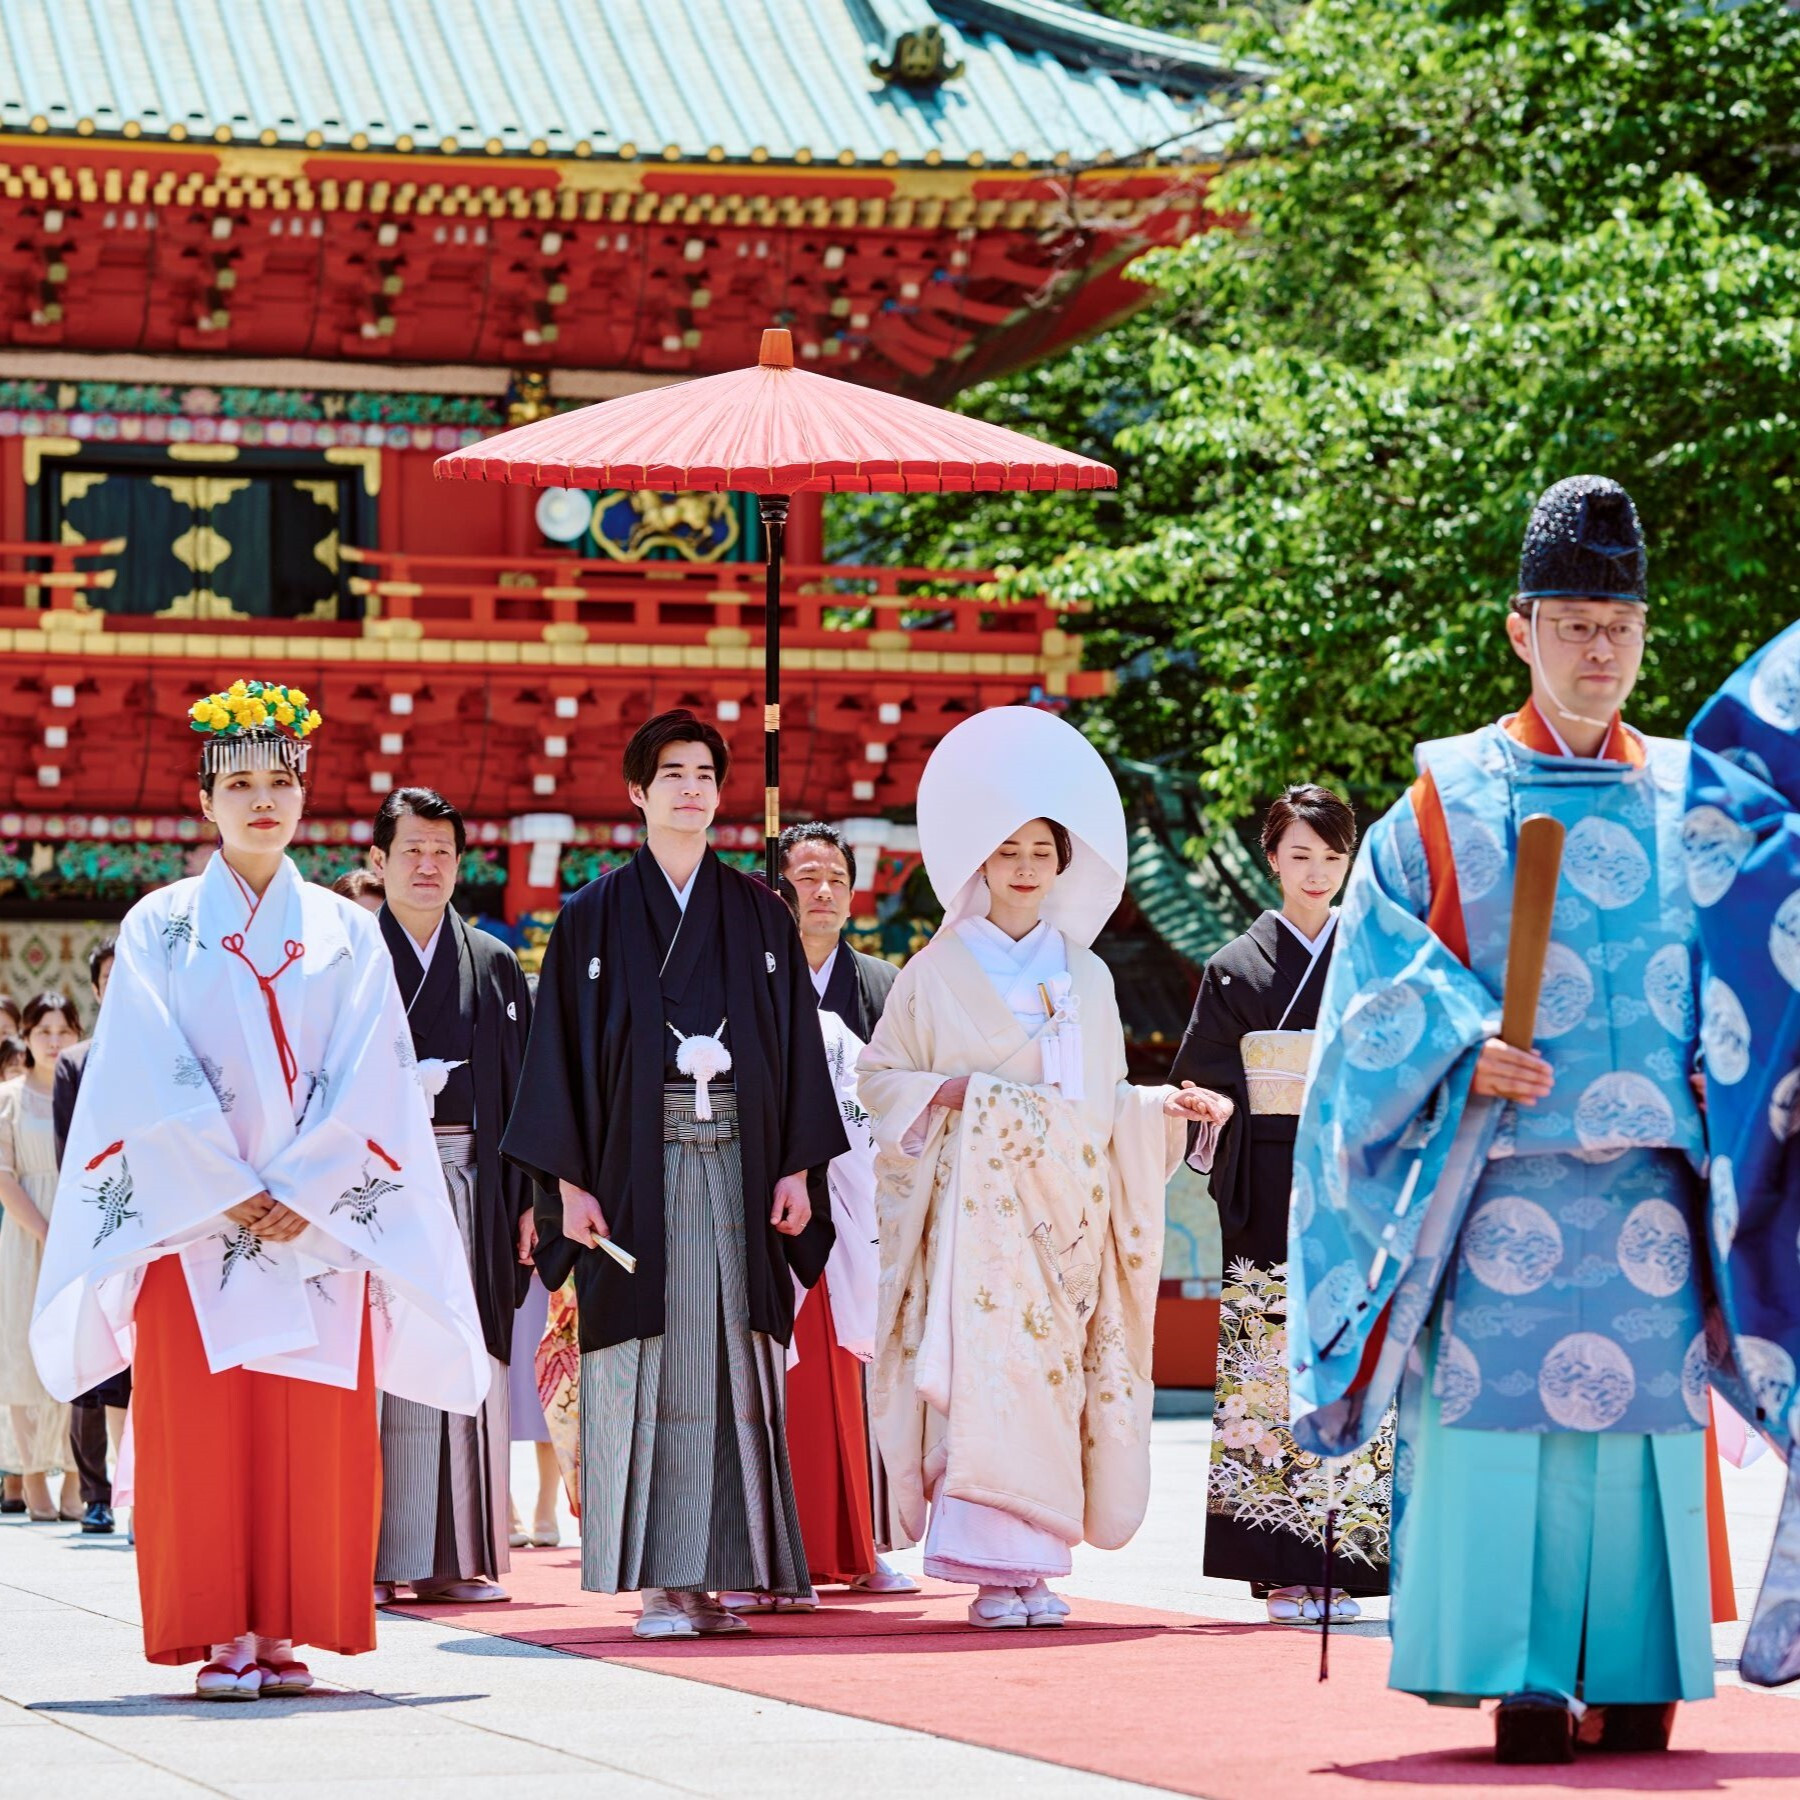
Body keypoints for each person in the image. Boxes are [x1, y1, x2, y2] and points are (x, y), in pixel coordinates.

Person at [1286, 477, 1778, 1761]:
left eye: (1619, 624)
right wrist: (1460, 1050)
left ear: (1645, 632)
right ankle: (1515, 1673)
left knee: (1642, 1438)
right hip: (1498, 1182)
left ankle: (1636, 1665)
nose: (1599, 648)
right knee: (1503, 1422)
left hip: (1656, 1196)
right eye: (1572, 622)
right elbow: (1369, 986)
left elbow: (1754, 976)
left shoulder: (1696, 795)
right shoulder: (1446, 797)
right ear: (1520, 630)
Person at [31, 677, 489, 1701]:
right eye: (238, 783)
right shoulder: (160, 924)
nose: (262, 800)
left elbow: (373, 1068)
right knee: (205, 1432)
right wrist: (231, 1187)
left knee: (307, 1430)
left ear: (305, 794)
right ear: (205, 802)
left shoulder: (342, 926)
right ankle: (216, 1631)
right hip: (198, 1227)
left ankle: (285, 1628)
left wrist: (310, 1185)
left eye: (281, 781)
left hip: (316, 1227)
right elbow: (144, 1066)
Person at [857, 707, 1233, 1629]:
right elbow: (879, 1078)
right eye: (1008, 849)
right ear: (980, 864)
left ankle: (1039, 1563)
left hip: (1064, 1218)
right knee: (986, 1375)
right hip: (975, 1220)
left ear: (1061, 865)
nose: (1024, 865)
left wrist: (1159, 1111)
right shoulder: (934, 971)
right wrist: (955, 1095)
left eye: (1041, 850)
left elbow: (1101, 1103)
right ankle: (990, 1567)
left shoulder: (1088, 976)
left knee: (1053, 1378)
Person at [501, 709, 848, 1641]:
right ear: (638, 793)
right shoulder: (591, 916)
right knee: (646, 1368)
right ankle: (660, 1581)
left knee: (733, 1358)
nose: (691, 789)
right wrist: (567, 1186)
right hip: (632, 1166)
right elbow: (557, 1062)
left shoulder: (759, 915)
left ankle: (722, 1572)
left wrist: (800, 1169)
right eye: (673, 774)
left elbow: (793, 1054)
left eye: (705, 774)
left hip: (741, 1157)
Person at [1171, 786, 1393, 1623]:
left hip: (1348, 1178)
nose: (1317, 873)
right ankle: (1277, 1562)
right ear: (1272, 858)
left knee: (1349, 1359)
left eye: (1332, 858)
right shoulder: (1235, 965)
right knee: (1269, 1373)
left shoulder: (1371, 952)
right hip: (1265, 1176)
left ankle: (1345, 1559)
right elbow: (1206, 1075)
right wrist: (1215, 1106)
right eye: (1300, 855)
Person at [366, 786, 536, 1606]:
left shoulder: (495, 964)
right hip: (374, 1189)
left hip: (473, 1180)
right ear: (378, 861)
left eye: (442, 853)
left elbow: (532, 1094)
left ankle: (458, 1555)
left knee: (466, 1355)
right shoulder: (353, 957)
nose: (427, 866)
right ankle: (376, 1554)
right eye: (411, 851)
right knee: (384, 1361)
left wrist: (532, 1196)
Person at [54, 938, 129, 1537]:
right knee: (96, 1370)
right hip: (99, 1217)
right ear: (98, 989)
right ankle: (96, 1491)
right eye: (110, 975)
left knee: (141, 1370)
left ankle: (138, 1489)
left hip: (158, 1219)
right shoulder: (76, 1062)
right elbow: (69, 1153)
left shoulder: (165, 1054)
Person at [0, 991, 82, 1521]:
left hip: (81, 1236)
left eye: (63, 1031)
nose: (54, 1041)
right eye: (43, 1031)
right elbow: (4, 1175)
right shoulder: (8, 1097)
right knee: (23, 1351)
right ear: (26, 1038)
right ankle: (30, 1474)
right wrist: (47, 1231)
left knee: (82, 1352)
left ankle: (78, 1476)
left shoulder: (86, 1092)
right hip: (28, 1236)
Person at [780, 823, 897, 1040]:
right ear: (776, 892)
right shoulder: (747, 975)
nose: (824, 892)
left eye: (837, 881)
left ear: (850, 900)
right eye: (808, 878)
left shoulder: (888, 982)